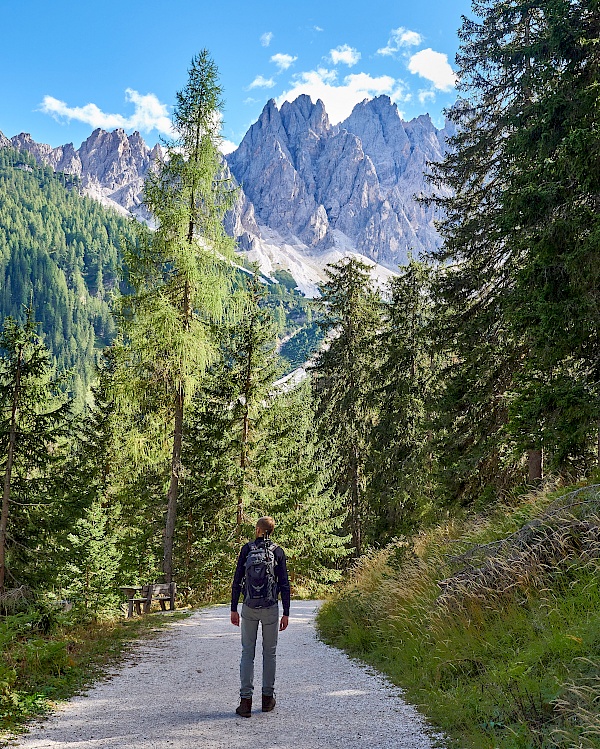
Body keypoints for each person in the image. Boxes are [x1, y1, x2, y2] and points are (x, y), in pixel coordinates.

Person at [230, 516, 290, 718]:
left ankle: (245, 702)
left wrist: (233, 608)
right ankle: (267, 699)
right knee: (269, 653)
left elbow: (237, 579)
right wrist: (287, 612)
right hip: (271, 608)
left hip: (249, 607)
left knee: (247, 653)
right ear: (271, 531)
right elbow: (284, 585)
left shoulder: (247, 550)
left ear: (257, 530)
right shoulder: (278, 551)